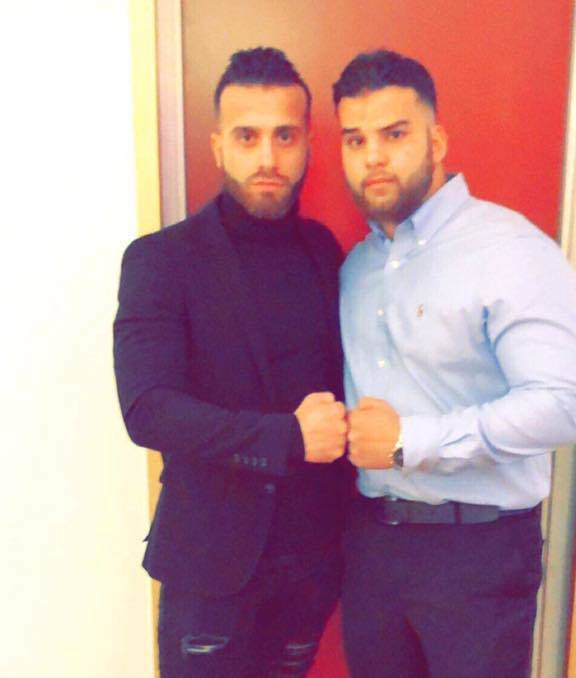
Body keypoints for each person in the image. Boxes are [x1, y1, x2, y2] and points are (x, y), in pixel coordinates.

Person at [333, 50, 576, 678]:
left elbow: (563, 405)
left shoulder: (510, 250)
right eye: (355, 139)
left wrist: (409, 441)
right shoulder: (357, 267)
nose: (373, 156)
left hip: (477, 552)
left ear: (437, 140)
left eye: (395, 134)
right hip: (372, 548)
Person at [114, 47, 351, 677]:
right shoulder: (161, 260)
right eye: (248, 136)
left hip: (311, 563)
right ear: (219, 146)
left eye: (285, 136)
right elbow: (148, 410)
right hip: (209, 567)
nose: (267, 157)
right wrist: (287, 437)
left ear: (307, 144)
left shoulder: (324, 250)